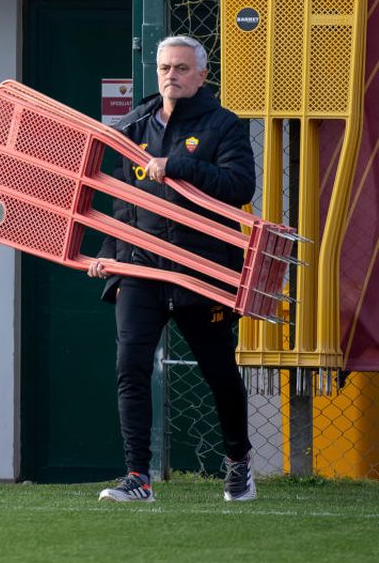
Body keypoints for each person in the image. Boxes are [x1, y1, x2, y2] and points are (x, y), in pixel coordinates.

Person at [88, 35, 257, 503]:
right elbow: (122, 201)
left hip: (202, 269)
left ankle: (238, 463)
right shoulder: (133, 124)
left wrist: (179, 165)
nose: (171, 76)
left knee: (219, 370)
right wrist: (112, 258)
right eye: (165, 68)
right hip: (141, 269)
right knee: (130, 367)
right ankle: (137, 477)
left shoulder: (224, 125)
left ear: (201, 76)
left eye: (182, 68)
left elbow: (240, 184)